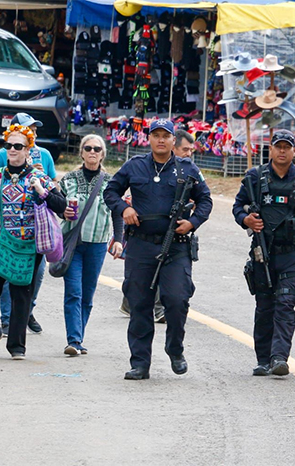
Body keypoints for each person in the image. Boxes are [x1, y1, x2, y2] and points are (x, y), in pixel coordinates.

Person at [104, 119, 212, 380]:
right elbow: (111, 192)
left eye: (166, 135)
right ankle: (140, 363)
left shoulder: (187, 168)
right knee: (140, 304)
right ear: (149, 139)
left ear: (174, 140)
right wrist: (124, 209)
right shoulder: (135, 165)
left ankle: (175, 348)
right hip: (141, 245)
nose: (161, 140)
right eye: (156, 135)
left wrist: (193, 222)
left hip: (175, 246)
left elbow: (205, 200)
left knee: (177, 299)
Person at [232, 130, 295, 377]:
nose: (282, 151)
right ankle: (263, 359)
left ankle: (279, 357)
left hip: (292, 254)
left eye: (287, 147)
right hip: (263, 253)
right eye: (278, 146)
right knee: (264, 306)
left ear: (294, 151)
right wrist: (246, 220)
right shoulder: (255, 177)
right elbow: (237, 207)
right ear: (271, 149)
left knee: (286, 305)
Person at [0, 124, 66, 360]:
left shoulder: (39, 178)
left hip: (27, 244)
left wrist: (42, 192)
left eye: (18, 146)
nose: (12, 149)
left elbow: (62, 206)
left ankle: (16, 345)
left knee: (21, 292)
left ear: (27, 150)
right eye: (8, 145)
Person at [0, 113, 57, 336]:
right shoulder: (1, 155)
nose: (34, 133)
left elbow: (54, 184)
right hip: (8, 227)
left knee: (36, 274)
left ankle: (27, 311)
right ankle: (7, 318)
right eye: (29, 129)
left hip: (36, 226)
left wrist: (41, 179)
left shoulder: (44, 154)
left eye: (35, 130)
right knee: (10, 274)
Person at [58, 135, 124, 356]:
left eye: (97, 149)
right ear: (82, 152)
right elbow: (57, 205)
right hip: (73, 244)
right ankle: (74, 340)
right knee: (73, 292)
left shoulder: (111, 183)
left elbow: (117, 213)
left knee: (87, 294)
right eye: (88, 148)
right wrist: (63, 212)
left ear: (103, 154)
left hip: (97, 245)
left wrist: (119, 240)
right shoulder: (68, 179)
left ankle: (79, 338)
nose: (92, 152)